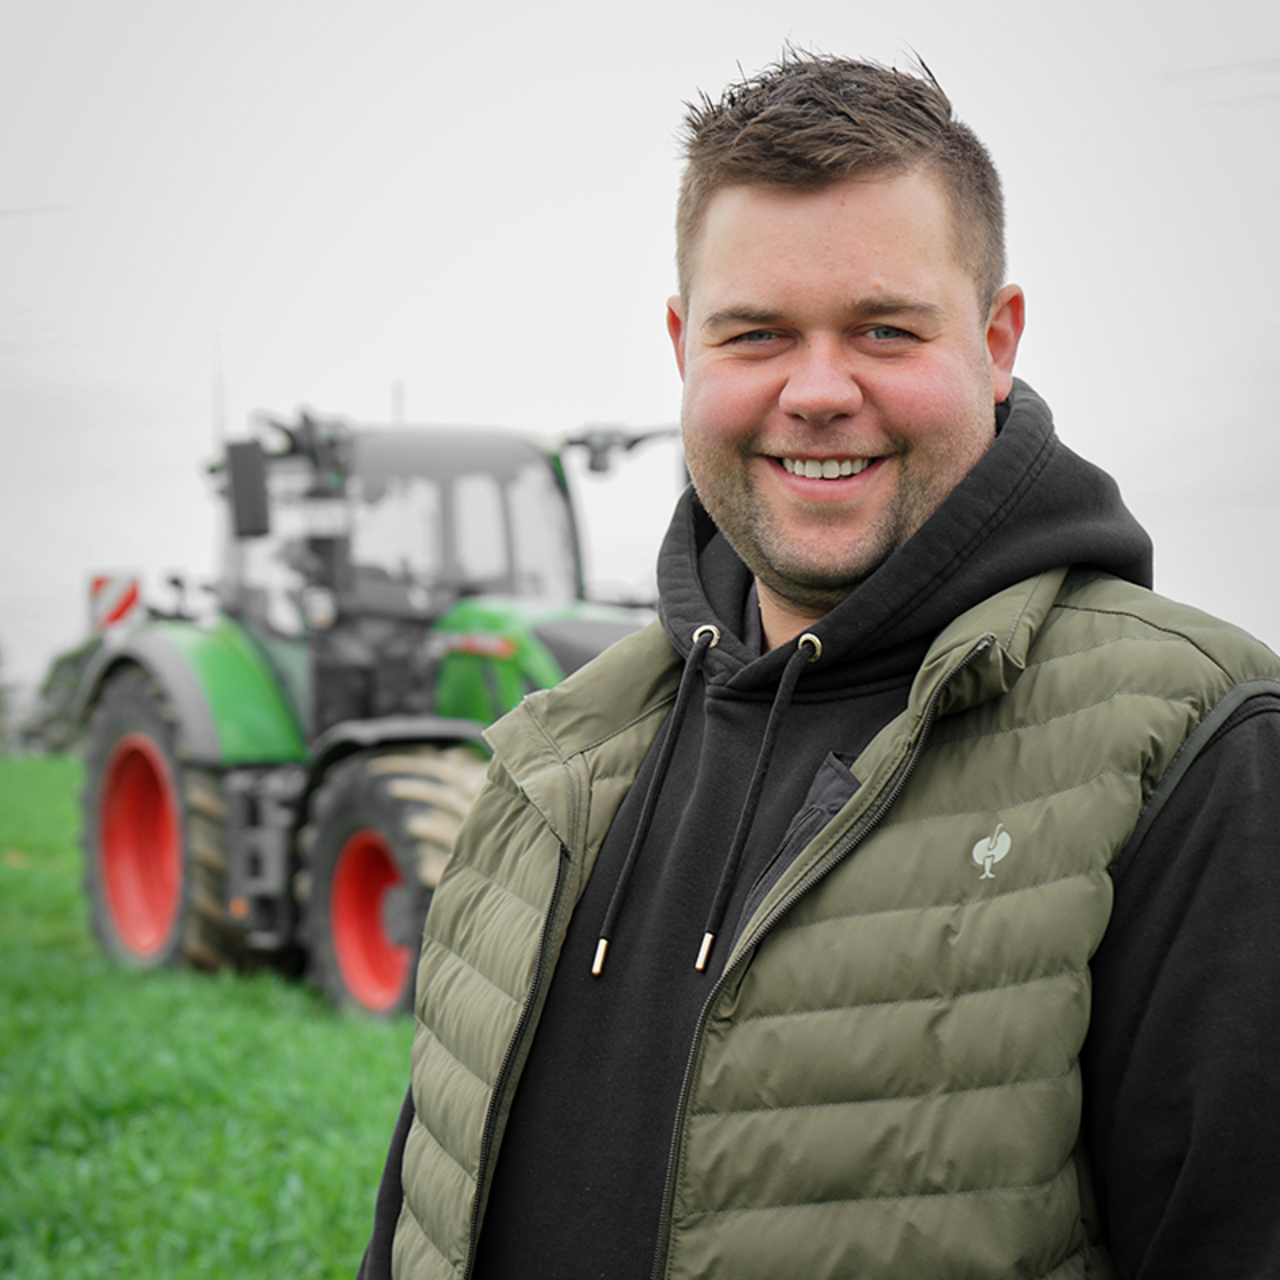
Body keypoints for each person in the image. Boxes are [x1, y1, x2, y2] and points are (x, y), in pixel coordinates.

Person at [358, 54, 1280, 1279]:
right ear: (684, 345)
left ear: (995, 340)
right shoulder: (547, 763)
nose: (816, 390)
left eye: (883, 330)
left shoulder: (1196, 744)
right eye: (757, 335)